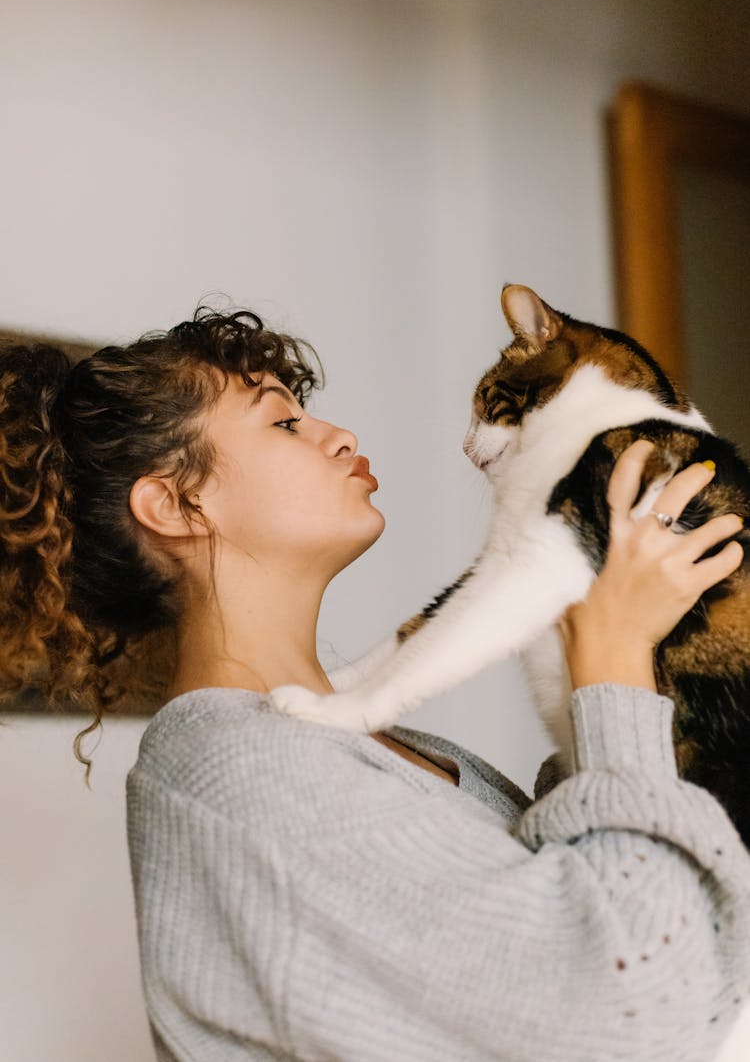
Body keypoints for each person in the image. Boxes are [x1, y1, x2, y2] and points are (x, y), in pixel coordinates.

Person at [1, 304, 748, 1062]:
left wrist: (633, 667)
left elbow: (620, 915)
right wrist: (617, 671)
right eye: (283, 424)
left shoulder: (373, 745)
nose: (340, 434)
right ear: (175, 503)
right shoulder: (241, 775)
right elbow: (636, 1014)